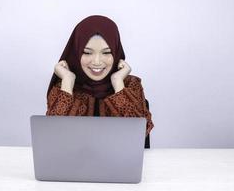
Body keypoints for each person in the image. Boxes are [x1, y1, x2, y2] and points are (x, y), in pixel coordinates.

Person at [45, 15, 154, 148]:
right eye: (87, 52)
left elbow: (139, 134)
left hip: (120, 165)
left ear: (116, 52)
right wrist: (67, 81)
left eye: (106, 52)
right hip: (74, 166)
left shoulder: (130, 85)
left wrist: (118, 83)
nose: (97, 61)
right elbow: (53, 138)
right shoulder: (64, 87)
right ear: (76, 52)